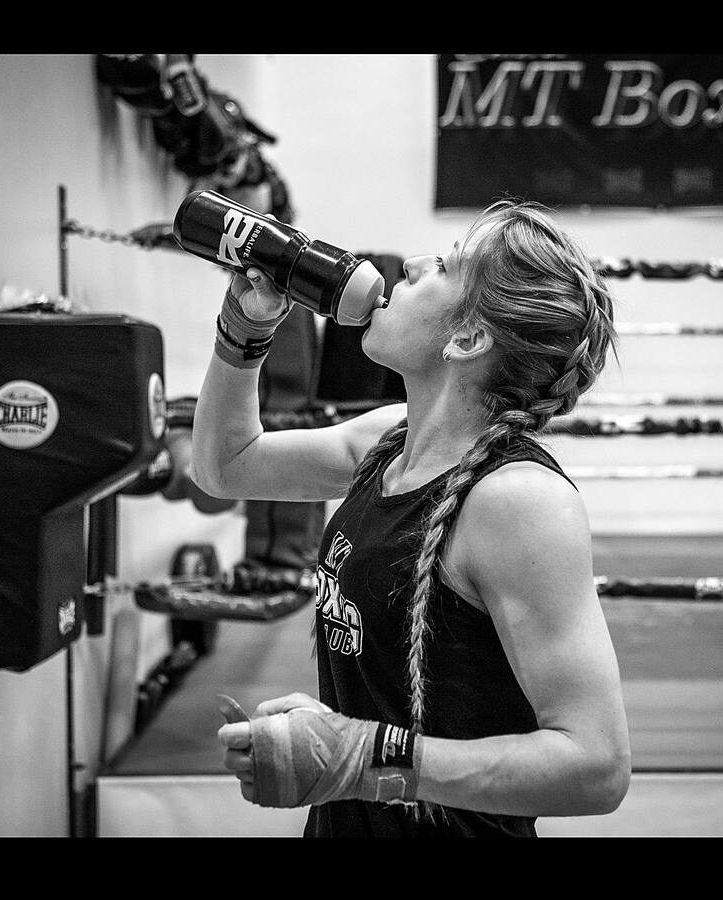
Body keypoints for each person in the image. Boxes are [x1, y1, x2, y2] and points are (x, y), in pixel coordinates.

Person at [195, 199, 631, 837]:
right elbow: (226, 465)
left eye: (447, 266)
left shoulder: (517, 501)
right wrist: (245, 326)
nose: (417, 262)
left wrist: (361, 756)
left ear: (468, 339)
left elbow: (597, 766)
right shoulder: (387, 442)